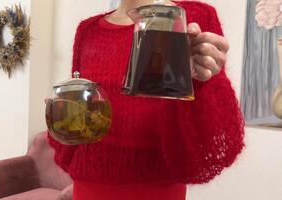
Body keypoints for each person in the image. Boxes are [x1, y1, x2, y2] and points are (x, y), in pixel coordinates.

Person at [49, 0, 245, 199]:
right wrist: (62, 116)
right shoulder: (88, 31)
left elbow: (216, 144)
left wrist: (203, 83)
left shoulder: (189, 17)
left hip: (157, 190)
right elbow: (79, 129)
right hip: (88, 189)